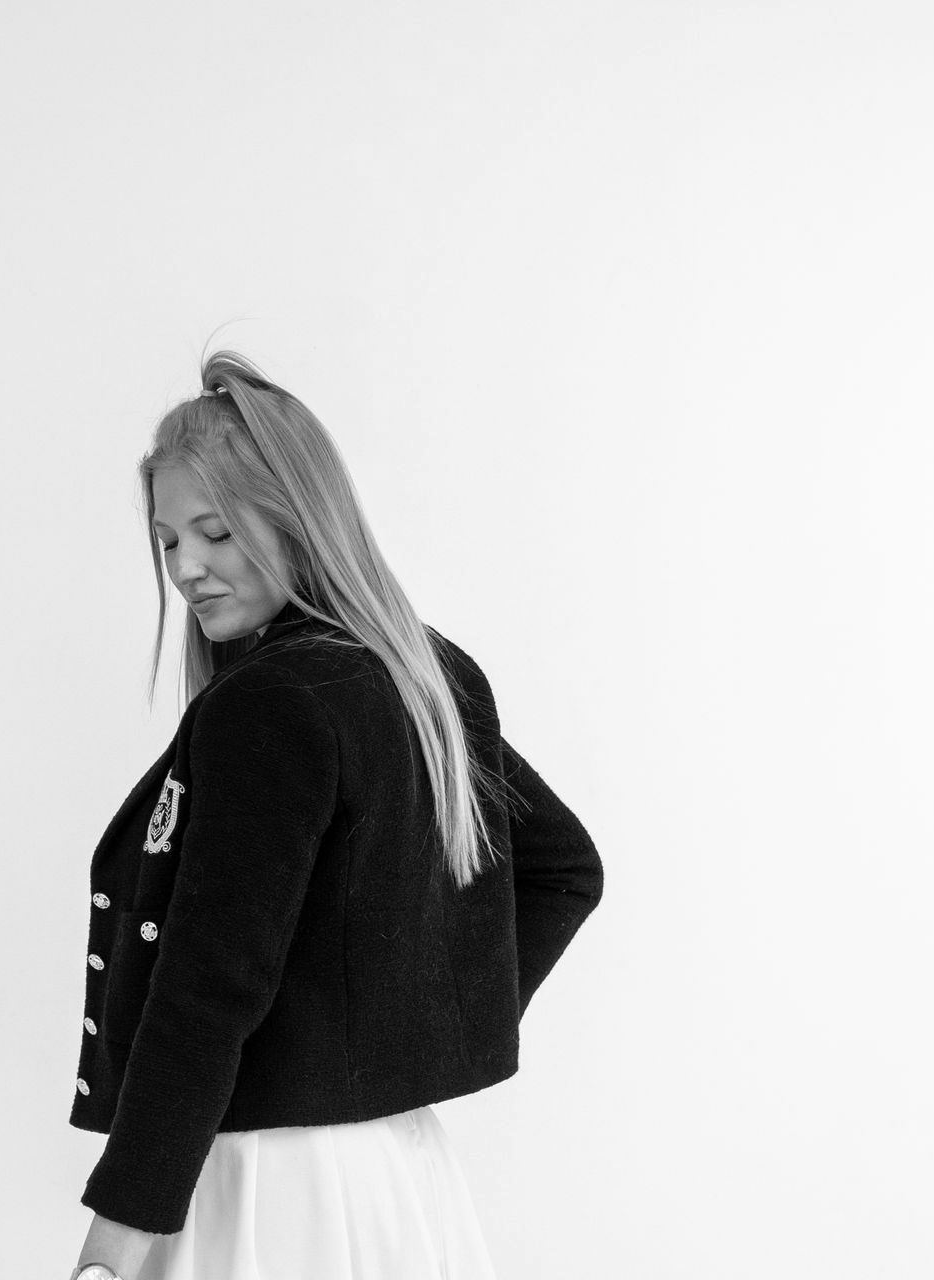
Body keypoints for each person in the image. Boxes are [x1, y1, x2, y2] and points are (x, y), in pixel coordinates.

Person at [67, 349, 605, 1280]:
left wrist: (114, 1240)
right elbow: (566, 869)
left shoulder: (268, 704)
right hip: (398, 1168)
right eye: (168, 541)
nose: (186, 568)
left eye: (215, 533)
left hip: (267, 1185)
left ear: (297, 519)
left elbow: (209, 987)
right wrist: (399, 1035)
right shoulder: (417, 670)